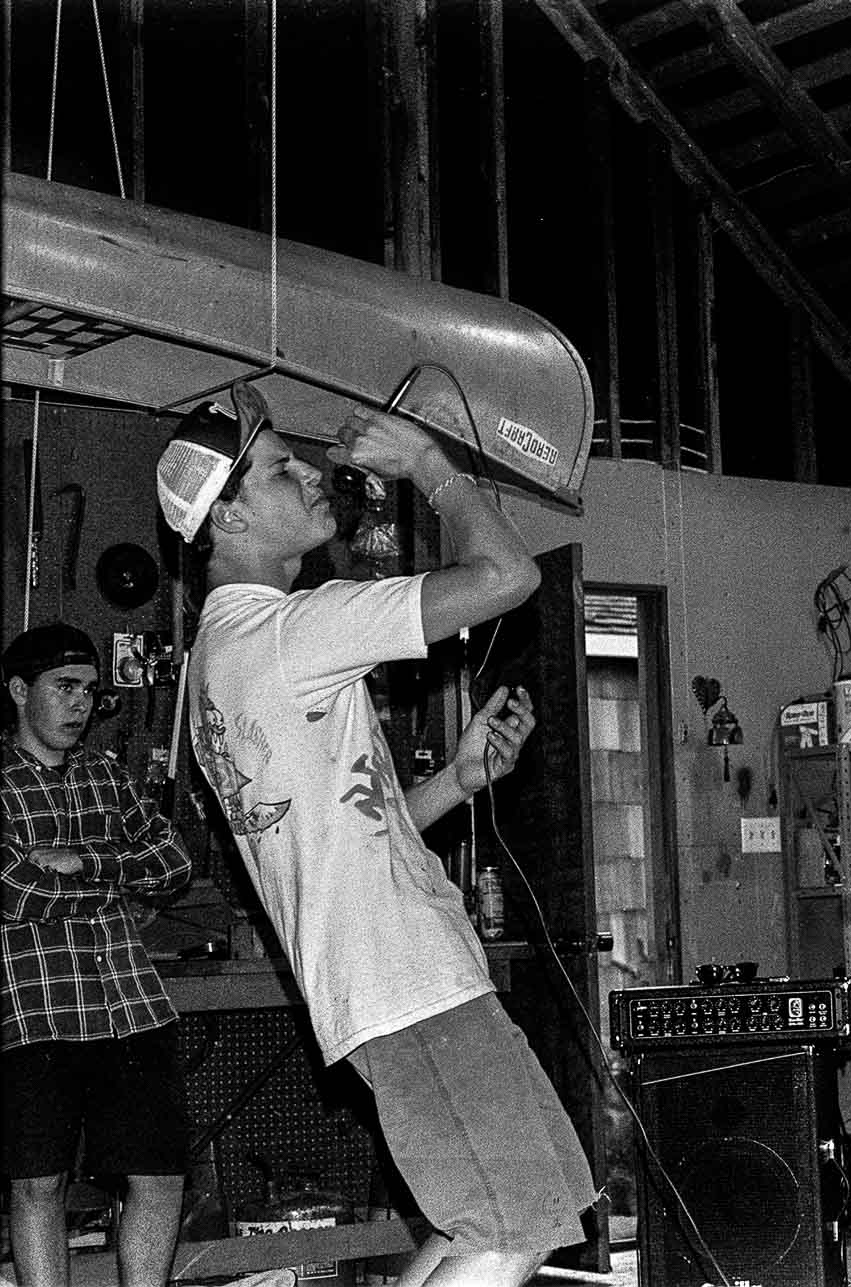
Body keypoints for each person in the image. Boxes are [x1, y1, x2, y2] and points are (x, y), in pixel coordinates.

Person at [155, 384, 595, 1287]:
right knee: (513, 1224)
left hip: (390, 982)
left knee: (515, 1209)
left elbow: (341, 825)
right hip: (407, 982)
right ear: (227, 514)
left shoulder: (219, 655)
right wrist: (433, 467)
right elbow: (509, 576)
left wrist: (458, 781)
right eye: (282, 468)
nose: (312, 473)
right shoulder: (286, 631)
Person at [2, 622, 192, 1287]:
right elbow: (15, 889)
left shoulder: (107, 777)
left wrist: (84, 860)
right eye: (63, 686)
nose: (80, 703)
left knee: (161, 1176)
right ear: (20, 689)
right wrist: (116, 883)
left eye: (88, 689)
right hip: (39, 1010)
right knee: (36, 1188)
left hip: (131, 1005)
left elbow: (173, 862)